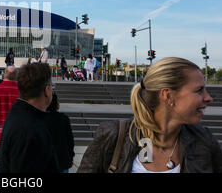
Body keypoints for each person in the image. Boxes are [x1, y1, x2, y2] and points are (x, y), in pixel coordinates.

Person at [78, 57, 221, 173]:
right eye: (199, 90)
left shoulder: (204, 141)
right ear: (168, 95)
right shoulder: (114, 135)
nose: (208, 98)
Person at [0, 62, 60, 173]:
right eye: (52, 86)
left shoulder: (19, 114)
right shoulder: (30, 129)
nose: (52, 90)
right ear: (46, 90)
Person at [44, 92, 75, 173]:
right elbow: (70, 141)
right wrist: (71, 156)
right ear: (56, 104)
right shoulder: (64, 119)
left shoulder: (40, 119)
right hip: (62, 159)